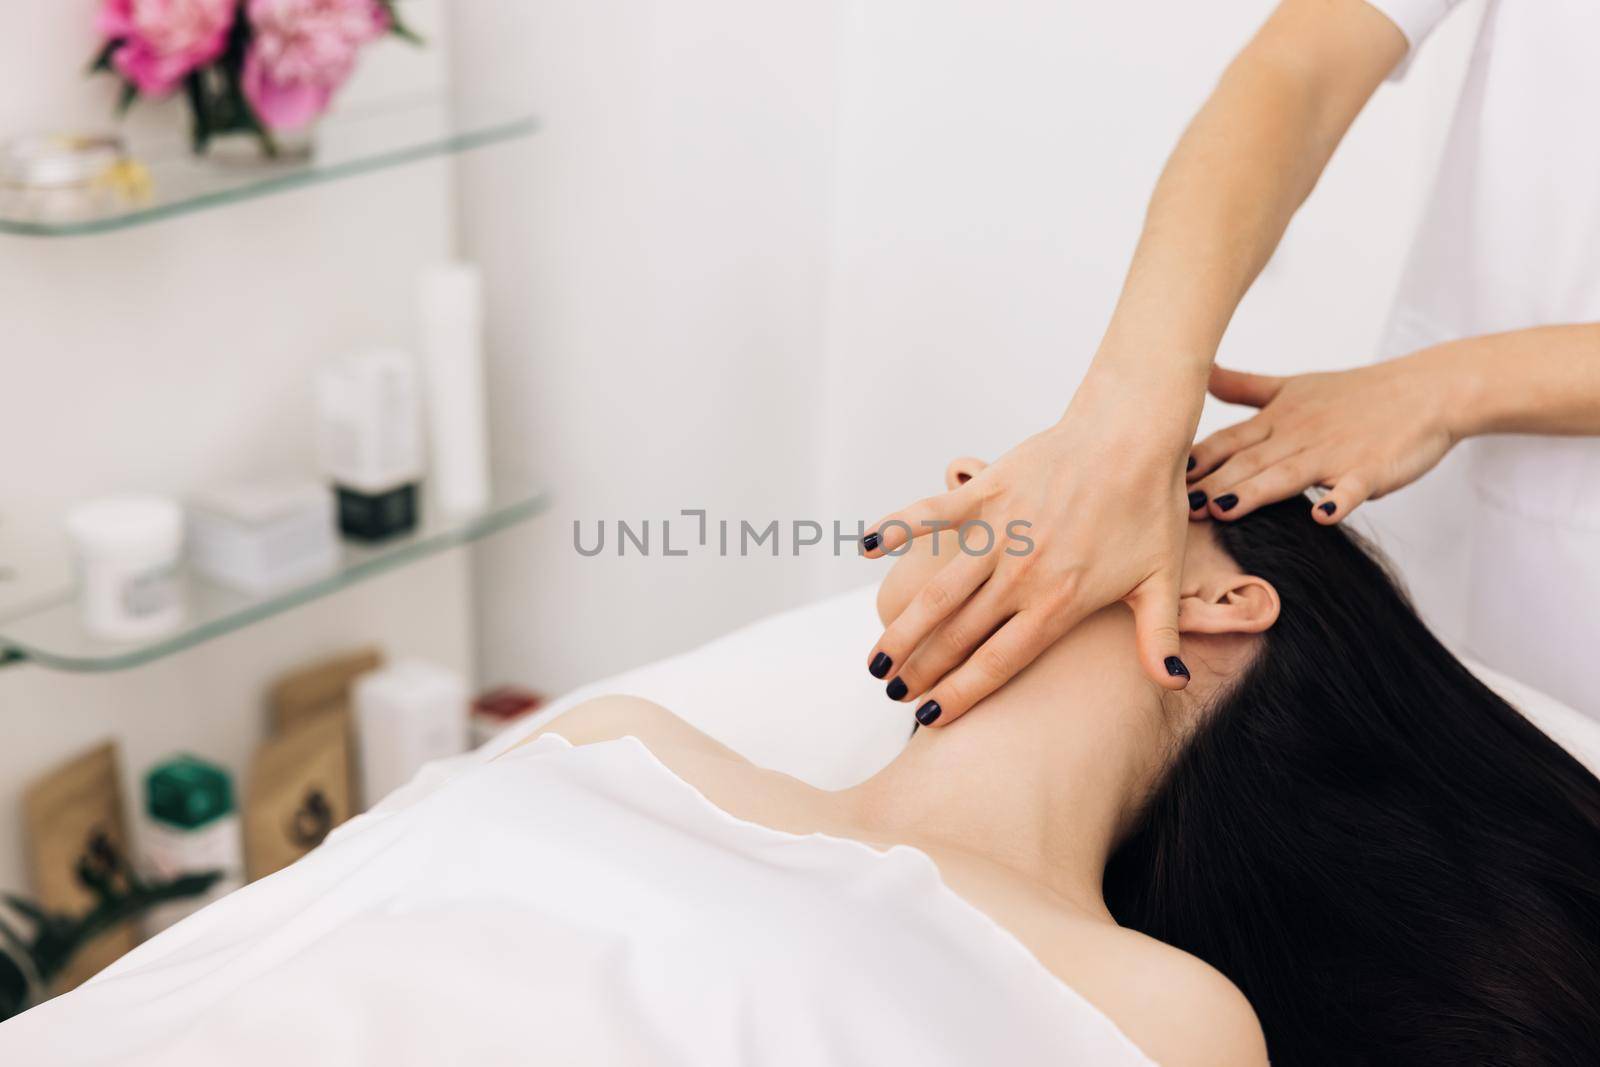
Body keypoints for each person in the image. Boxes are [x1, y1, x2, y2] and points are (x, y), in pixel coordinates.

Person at [7, 461, 1598, 1066]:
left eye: (1062, 468)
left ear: (1219, 594)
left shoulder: (1162, 1014)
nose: (970, 479)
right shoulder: (618, 740)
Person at [862, 0, 1600, 726]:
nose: (972, 483)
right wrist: (1123, 422)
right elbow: (1300, 67)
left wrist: (1442, 389)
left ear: (1219, 605)